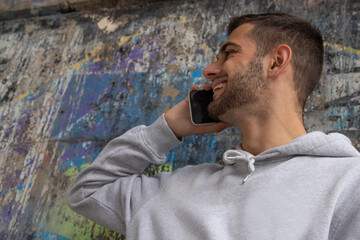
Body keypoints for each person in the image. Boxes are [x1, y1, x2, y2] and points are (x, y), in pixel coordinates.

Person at [66, 13, 360, 239]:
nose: (209, 70)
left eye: (230, 53)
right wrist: (165, 130)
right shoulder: (172, 190)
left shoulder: (347, 184)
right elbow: (87, 193)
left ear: (276, 62)